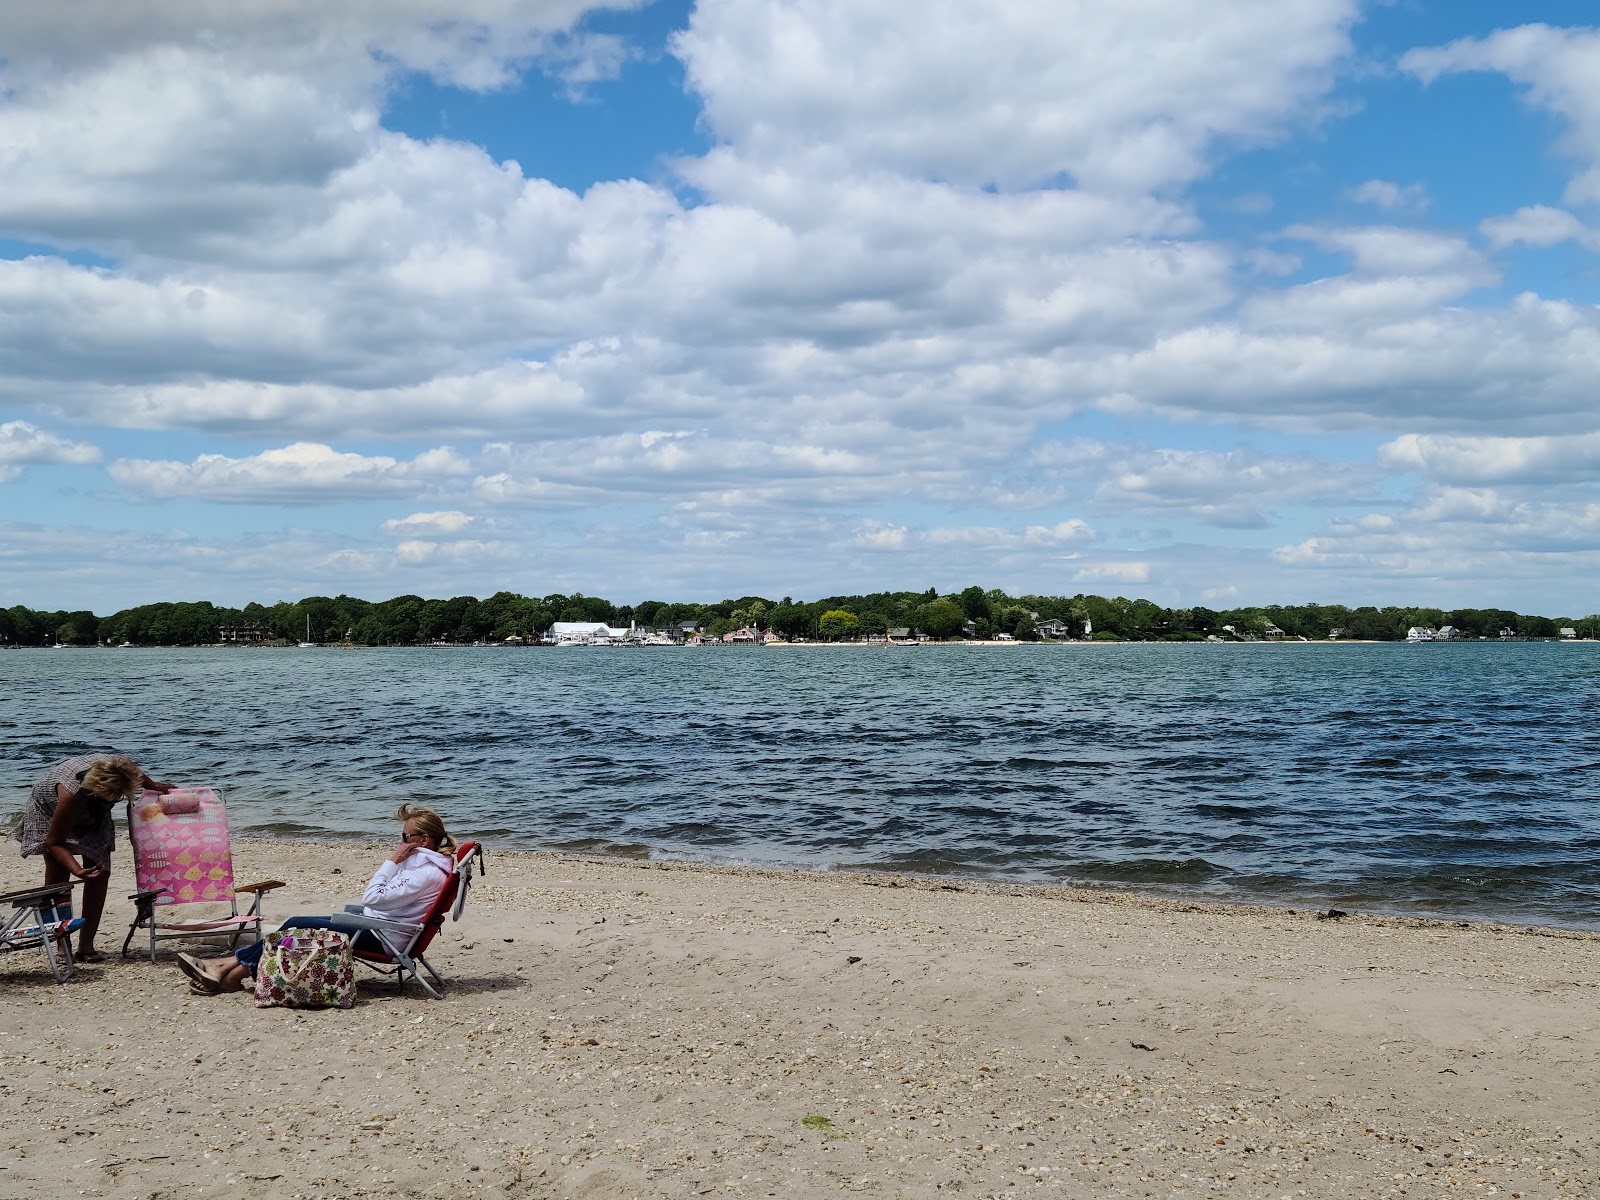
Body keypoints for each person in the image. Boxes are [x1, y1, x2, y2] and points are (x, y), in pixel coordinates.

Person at [178, 803, 456, 994]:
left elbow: (372, 897)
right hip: (376, 926)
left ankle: (225, 966)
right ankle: (230, 972)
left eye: (404, 836)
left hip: (385, 938)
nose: (400, 842)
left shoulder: (425, 874)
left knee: (295, 924)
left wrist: (392, 861)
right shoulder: (425, 868)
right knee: (295, 925)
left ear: (422, 840)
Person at [11, 751, 171, 963]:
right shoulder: (72, 795)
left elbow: (133, 773)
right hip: (50, 807)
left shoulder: (121, 768)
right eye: (113, 798)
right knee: (58, 873)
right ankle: (62, 944)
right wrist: (76, 869)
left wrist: (154, 786)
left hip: (96, 808)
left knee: (100, 872)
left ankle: (86, 945)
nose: (117, 800)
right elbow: (55, 841)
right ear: (97, 791)